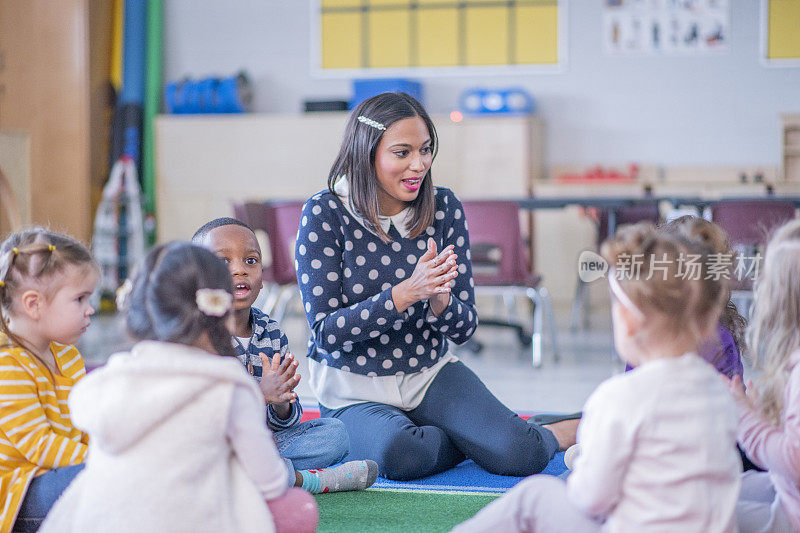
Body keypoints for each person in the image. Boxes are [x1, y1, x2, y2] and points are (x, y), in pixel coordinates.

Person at [294, 91, 577, 481]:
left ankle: (550, 431)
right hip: (352, 391)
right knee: (400, 455)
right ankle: (476, 437)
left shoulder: (444, 207)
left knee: (520, 454)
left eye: (426, 150)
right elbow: (326, 333)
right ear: (366, 153)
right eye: (402, 152)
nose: (419, 164)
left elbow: (465, 327)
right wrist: (405, 294)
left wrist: (442, 305)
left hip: (428, 374)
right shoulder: (324, 213)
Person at [454, 223, 741, 532]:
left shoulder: (618, 398)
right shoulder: (720, 390)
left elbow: (590, 499)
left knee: (535, 494)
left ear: (629, 321)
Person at [40, 243, 323, 532]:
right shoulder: (227, 384)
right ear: (221, 311)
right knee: (296, 508)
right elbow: (270, 481)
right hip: (194, 520)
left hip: (104, 521)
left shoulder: (115, 376)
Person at [193, 217, 358, 480]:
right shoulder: (198, 337)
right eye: (223, 261)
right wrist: (260, 394)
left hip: (259, 444)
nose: (239, 270)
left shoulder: (270, 332)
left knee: (335, 434)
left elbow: (281, 424)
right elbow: (202, 419)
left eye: (251, 261)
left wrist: (282, 403)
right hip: (209, 446)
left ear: (262, 277)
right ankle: (296, 479)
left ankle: (258, 471)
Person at [0, 228, 98, 532]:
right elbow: (38, 445)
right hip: (18, 492)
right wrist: (100, 460)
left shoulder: (67, 356)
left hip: (55, 474)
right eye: (79, 299)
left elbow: (84, 425)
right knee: (100, 479)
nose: (90, 309)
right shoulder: (8, 362)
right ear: (33, 304)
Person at [725, 219, 800, 532]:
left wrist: (745, 417)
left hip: (792, 513)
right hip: (785, 490)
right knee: (716, 490)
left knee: (696, 514)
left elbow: (794, 460)